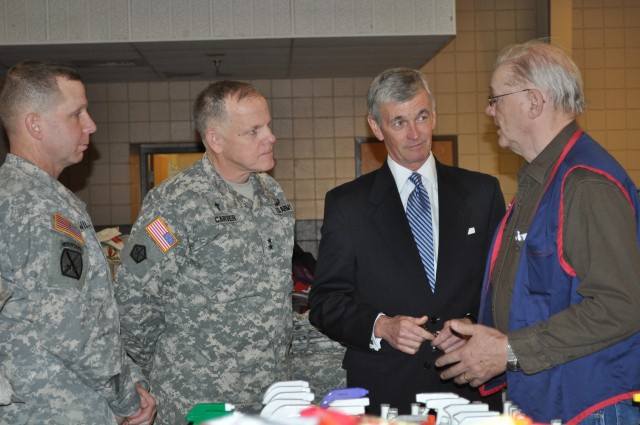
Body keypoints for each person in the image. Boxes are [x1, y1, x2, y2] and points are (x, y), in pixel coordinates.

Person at [433, 40, 640, 425]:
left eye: (495, 99)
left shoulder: (584, 184)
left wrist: (508, 349)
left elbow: (620, 306)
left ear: (533, 102)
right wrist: (484, 337)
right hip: (551, 399)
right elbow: (539, 295)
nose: (488, 110)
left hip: (589, 405)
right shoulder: (541, 181)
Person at [308, 67, 506, 415]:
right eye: (399, 122)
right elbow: (326, 301)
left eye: (422, 116)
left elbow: (503, 287)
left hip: (468, 387)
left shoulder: (482, 193)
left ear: (434, 116)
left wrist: (474, 327)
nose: (415, 134)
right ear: (376, 127)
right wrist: (381, 325)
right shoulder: (347, 204)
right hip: (388, 391)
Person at [114, 80, 295, 424]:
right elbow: (134, 303)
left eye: (268, 126)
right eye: (253, 130)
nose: (270, 137)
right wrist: (153, 374)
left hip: (269, 397)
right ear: (216, 139)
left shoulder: (273, 195)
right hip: (198, 400)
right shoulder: (175, 203)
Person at [0, 60, 156, 424]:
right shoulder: (36, 206)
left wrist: (130, 378)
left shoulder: (29, 195)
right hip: (53, 408)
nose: (91, 125)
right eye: (76, 114)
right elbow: (71, 327)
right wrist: (126, 398)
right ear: (34, 125)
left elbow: (91, 314)